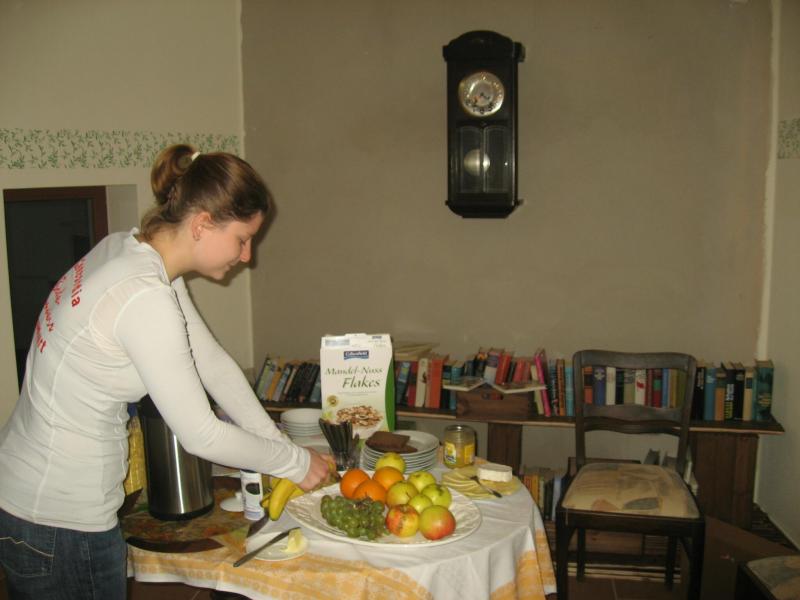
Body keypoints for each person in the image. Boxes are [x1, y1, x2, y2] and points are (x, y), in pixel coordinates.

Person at [0, 144, 331, 599]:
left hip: (30, 496)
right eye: (242, 239)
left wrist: (279, 445)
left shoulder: (130, 251)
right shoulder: (144, 295)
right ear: (202, 224)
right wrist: (295, 463)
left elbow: (211, 363)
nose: (247, 255)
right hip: (58, 520)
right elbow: (202, 436)